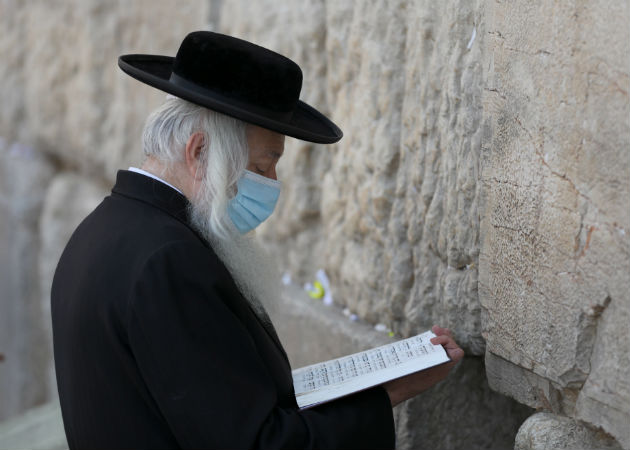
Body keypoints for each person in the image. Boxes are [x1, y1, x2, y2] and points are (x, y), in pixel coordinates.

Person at [51, 31, 464, 450]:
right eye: (263, 165)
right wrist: (389, 393)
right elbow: (254, 444)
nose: (272, 184)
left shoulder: (104, 228)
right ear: (200, 152)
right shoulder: (170, 262)